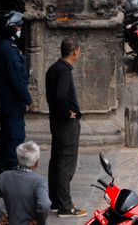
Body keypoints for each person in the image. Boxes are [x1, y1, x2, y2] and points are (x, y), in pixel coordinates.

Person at [45, 37, 86, 217]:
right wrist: (67, 113)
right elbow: (60, 96)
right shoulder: (63, 71)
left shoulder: (54, 68)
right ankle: (65, 206)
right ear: (75, 51)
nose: (80, 53)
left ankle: (55, 201)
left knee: (56, 161)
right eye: (80, 50)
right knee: (65, 164)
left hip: (56, 122)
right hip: (65, 124)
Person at [0, 10, 34, 172]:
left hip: (6, 99)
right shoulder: (9, 49)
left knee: (6, 134)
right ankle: (10, 170)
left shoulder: (5, 45)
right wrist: (28, 100)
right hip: (12, 100)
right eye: (17, 26)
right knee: (14, 136)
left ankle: (4, 168)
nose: (20, 28)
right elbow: (16, 78)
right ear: (10, 28)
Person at [0, 141, 51, 225]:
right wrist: (40, 221)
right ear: (37, 162)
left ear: (18, 159)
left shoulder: (5, 177)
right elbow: (44, 205)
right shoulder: (39, 181)